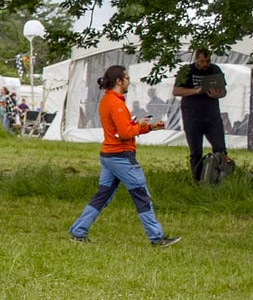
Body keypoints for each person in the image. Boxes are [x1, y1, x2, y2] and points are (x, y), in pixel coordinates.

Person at [69, 65, 180, 247]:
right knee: (141, 195)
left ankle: (78, 231)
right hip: (121, 157)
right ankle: (156, 237)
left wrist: (149, 127)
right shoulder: (116, 103)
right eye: (127, 78)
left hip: (108, 155)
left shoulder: (107, 101)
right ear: (119, 81)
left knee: (102, 196)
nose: (129, 82)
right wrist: (140, 125)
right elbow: (125, 132)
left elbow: (122, 130)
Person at [172, 48, 231, 182]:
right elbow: (176, 91)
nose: (205, 64)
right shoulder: (186, 71)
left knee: (220, 148)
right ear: (196, 59)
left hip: (212, 115)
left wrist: (218, 94)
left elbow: (223, 91)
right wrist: (196, 91)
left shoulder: (215, 69)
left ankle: (221, 178)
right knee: (196, 151)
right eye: (202, 61)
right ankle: (197, 180)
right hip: (192, 116)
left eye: (208, 61)